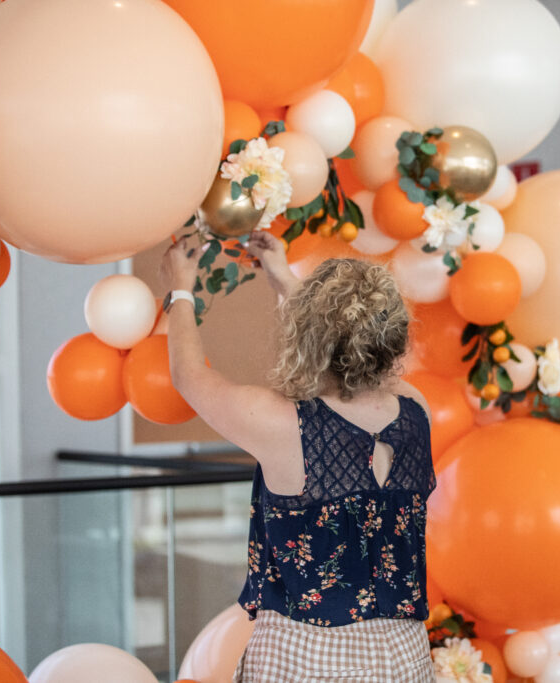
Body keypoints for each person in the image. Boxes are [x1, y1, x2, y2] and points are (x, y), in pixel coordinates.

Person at [161, 231, 436, 682]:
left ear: (308, 335)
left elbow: (188, 376)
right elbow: (345, 343)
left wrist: (180, 288)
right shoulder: (415, 409)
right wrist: (283, 279)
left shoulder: (281, 424)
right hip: (404, 658)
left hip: (304, 659)